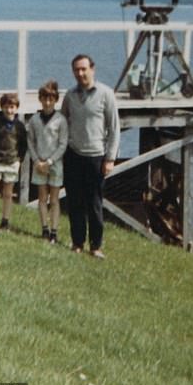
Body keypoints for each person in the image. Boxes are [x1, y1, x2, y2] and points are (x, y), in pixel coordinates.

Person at [61, 54, 120, 258]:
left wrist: (110, 158)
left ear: (92, 69)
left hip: (96, 156)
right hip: (73, 155)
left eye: (84, 69)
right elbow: (62, 123)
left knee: (94, 203)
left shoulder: (106, 94)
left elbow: (114, 129)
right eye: (77, 70)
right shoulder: (69, 95)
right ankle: (77, 242)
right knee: (75, 202)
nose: (80, 73)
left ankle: (96, 246)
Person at [27, 79, 68, 244]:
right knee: (42, 198)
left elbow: (63, 144)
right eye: (44, 98)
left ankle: (54, 231)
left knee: (55, 200)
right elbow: (30, 141)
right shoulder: (34, 120)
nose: (47, 102)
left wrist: (50, 161)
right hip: (39, 164)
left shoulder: (61, 120)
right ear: (40, 99)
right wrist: (37, 161)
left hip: (55, 164)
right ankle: (44, 228)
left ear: (55, 100)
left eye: (51, 99)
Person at [0, 92, 28, 230]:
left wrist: (19, 160)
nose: (9, 110)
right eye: (7, 107)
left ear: (16, 108)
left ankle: (5, 221)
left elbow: (23, 145)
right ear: (2, 107)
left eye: (12, 107)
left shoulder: (19, 126)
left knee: (8, 194)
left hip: (12, 163)